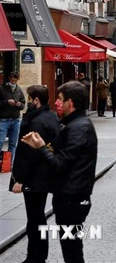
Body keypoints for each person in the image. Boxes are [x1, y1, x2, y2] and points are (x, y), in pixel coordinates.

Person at [21, 81, 97, 263]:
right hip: (71, 196)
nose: (57, 103)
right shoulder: (75, 125)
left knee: (72, 251)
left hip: (72, 199)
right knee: (71, 248)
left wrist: (41, 147)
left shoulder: (78, 128)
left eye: (61, 99)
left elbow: (59, 164)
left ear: (70, 103)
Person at [10, 85, 61, 263]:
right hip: (45, 174)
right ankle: (37, 255)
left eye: (29, 99)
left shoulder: (37, 122)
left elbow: (29, 154)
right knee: (37, 217)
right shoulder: (51, 116)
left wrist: (20, 180)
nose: (27, 102)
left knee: (35, 219)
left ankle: (36, 257)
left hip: (35, 177)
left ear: (36, 100)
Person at [0, 71, 25, 165]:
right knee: (0, 141)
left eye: (15, 81)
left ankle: (9, 164)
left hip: (15, 120)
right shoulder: (2, 89)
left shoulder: (19, 90)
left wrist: (19, 104)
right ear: (9, 79)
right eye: (12, 80)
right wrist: (6, 102)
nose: (14, 82)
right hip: (3, 120)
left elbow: (23, 105)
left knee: (13, 144)